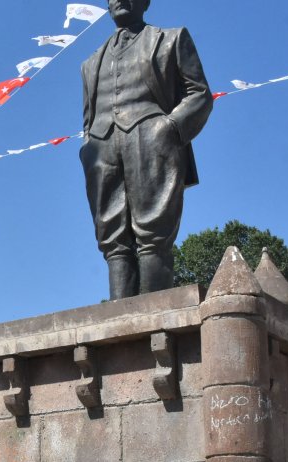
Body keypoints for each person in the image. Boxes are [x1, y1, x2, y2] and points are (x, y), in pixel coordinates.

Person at [80, 0, 213, 299]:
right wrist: (88, 146)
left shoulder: (171, 39)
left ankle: (155, 313)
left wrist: (169, 128)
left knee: (154, 232)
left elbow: (200, 94)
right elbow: (88, 118)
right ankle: (118, 319)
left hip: (152, 138)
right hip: (102, 147)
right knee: (112, 238)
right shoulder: (89, 64)